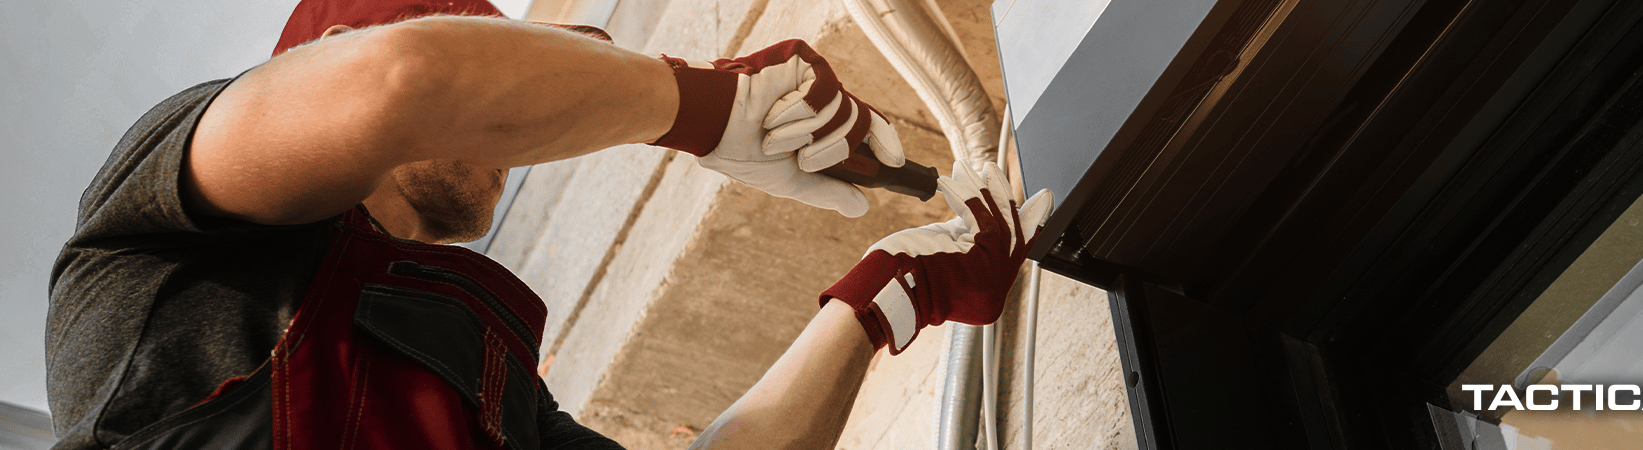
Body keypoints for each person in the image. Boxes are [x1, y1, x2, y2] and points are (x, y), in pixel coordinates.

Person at [45, 0, 1050, 449]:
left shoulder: (480, 389)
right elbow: (406, 81)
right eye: (494, 48)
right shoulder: (151, 254)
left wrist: (888, 297)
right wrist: (706, 106)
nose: (520, 141)